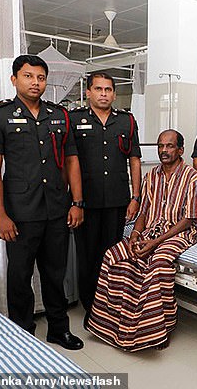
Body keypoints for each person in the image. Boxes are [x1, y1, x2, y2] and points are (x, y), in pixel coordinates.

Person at [0, 54, 84, 350]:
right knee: (20, 276)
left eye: (40, 77)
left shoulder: (59, 115)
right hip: (21, 213)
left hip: (56, 210)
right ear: (14, 79)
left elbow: (72, 161)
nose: (35, 82)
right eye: (28, 76)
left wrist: (77, 202)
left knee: (55, 274)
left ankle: (58, 329)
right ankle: (23, 334)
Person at [86, 130, 197, 351]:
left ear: (180, 150)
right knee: (114, 254)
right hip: (151, 230)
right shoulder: (151, 176)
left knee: (157, 263)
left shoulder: (192, 176)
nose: (164, 151)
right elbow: (143, 214)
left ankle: (159, 330)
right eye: (160, 146)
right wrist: (135, 235)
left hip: (179, 232)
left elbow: (189, 219)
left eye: (169, 146)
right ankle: (111, 324)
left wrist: (155, 242)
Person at [70, 72, 142, 315]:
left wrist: (136, 197)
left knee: (113, 255)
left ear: (114, 93)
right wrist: (73, 201)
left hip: (117, 200)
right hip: (85, 203)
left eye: (108, 89)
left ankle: (110, 306)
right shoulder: (73, 119)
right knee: (88, 257)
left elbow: (134, 161)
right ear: (88, 92)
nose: (104, 94)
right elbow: (69, 162)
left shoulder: (127, 121)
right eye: (98, 89)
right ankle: (91, 309)